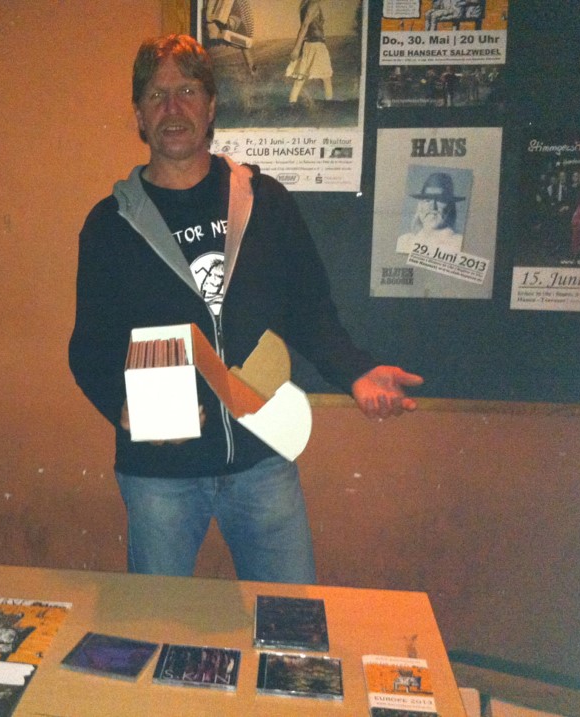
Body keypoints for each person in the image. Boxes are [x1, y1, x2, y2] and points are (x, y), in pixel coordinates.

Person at [68, 34, 423, 585]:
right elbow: (89, 348)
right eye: (157, 95)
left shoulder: (265, 201)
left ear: (211, 106)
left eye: (188, 91)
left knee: (289, 622)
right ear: (138, 114)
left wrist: (355, 370)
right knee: (154, 622)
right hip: (159, 475)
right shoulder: (110, 225)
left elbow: (310, 310)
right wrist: (122, 406)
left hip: (263, 461)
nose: (173, 108)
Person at [396, 172, 466, 254]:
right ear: (420, 206)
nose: (433, 207)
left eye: (440, 200)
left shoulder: (458, 243)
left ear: (450, 207)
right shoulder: (404, 241)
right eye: (427, 200)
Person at [286, 0, 333, 107]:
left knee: (301, 77)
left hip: (310, 44)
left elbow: (306, 26)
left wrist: (298, 47)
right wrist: (296, 48)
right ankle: (330, 105)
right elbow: (305, 26)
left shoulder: (306, 4)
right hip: (316, 45)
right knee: (326, 77)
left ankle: (292, 103)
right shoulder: (313, 4)